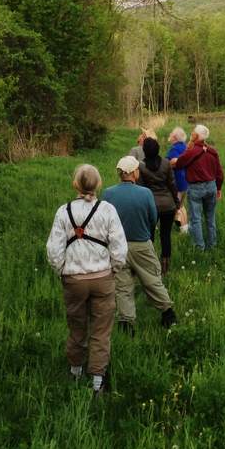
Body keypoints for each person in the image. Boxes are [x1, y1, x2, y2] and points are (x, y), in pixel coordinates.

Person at [45, 164, 128, 397]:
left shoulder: (64, 211)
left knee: (76, 325)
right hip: (103, 277)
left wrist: (62, 270)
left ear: (75, 185)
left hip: (73, 279)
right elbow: (119, 247)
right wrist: (114, 268)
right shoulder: (107, 210)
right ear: (98, 185)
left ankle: (75, 370)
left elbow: (54, 249)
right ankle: (97, 382)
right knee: (101, 330)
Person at [103, 156, 177, 332]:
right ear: (134, 172)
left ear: (120, 173)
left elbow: (104, 220)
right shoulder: (145, 193)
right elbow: (153, 218)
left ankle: (126, 322)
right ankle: (168, 313)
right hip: (142, 244)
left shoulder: (108, 193)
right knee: (152, 280)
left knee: (122, 285)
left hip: (117, 247)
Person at [170, 124, 224, 251]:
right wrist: (219, 188)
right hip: (211, 186)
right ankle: (212, 245)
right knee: (210, 218)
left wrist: (174, 161)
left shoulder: (191, 151)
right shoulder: (212, 151)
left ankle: (199, 247)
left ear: (196, 135)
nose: (191, 134)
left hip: (196, 188)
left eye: (193, 132)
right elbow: (220, 173)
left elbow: (179, 163)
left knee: (196, 218)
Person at [138, 137, 179, 274]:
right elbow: (172, 184)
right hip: (168, 205)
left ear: (144, 151)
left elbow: (141, 188)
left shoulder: (141, 166)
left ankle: (150, 265)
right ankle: (165, 267)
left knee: (149, 236)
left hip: (151, 206)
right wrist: (176, 201)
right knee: (165, 235)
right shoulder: (166, 164)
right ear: (158, 149)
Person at [165, 126, 189, 234]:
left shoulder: (175, 149)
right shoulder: (185, 147)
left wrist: (166, 163)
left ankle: (182, 229)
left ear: (174, 137)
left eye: (171, 133)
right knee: (180, 205)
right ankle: (183, 227)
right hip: (185, 181)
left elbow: (174, 163)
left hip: (177, 181)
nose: (169, 135)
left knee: (175, 206)